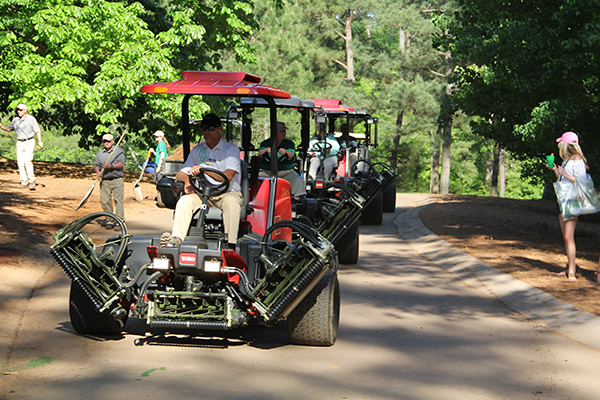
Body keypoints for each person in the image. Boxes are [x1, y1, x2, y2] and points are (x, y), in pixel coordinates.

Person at [161, 114, 242, 250]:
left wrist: (204, 170)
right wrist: (187, 180)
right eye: (203, 129)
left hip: (226, 193)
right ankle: (176, 239)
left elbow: (227, 177)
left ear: (219, 129)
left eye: (210, 128)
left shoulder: (231, 150)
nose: (206, 132)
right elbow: (181, 174)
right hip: (202, 194)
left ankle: (229, 245)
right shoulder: (198, 150)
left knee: (232, 202)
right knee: (184, 201)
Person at [550, 131, 587, 280]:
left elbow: (580, 182)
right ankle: (569, 268)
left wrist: (563, 173)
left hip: (572, 201)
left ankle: (572, 270)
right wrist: (556, 171)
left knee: (568, 236)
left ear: (566, 145)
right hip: (563, 200)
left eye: (561, 144)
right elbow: (563, 181)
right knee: (566, 237)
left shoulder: (577, 159)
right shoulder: (567, 160)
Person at [258, 121, 306, 199]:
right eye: (281, 131)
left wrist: (286, 152)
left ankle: (296, 201)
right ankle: (259, 199)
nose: (284, 132)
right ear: (274, 132)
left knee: (297, 179)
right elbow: (260, 153)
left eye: (284, 130)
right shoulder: (265, 143)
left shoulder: (289, 144)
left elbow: (291, 155)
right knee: (258, 178)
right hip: (267, 172)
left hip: (285, 172)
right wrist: (266, 150)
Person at [0, 104, 44, 190]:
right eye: (17, 110)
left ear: (25, 110)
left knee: (27, 160)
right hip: (20, 142)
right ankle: (24, 181)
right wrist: (1, 126)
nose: (18, 112)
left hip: (29, 141)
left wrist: (40, 141)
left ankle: (31, 180)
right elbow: (9, 129)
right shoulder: (15, 120)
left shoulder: (31, 119)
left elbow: (37, 130)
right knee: (20, 162)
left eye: (20, 110)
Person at [94, 133, 125, 230]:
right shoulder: (100, 153)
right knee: (105, 200)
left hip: (117, 180)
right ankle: (110, 220)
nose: (106, 143)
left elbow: (121, 164)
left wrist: (111, 166)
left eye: (108, 141)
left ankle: (120, 222)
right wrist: (98, 172)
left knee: (118, 200)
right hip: (105, 181)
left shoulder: (118, 151)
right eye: (104, 141)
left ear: (112, 142)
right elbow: (96, 165)